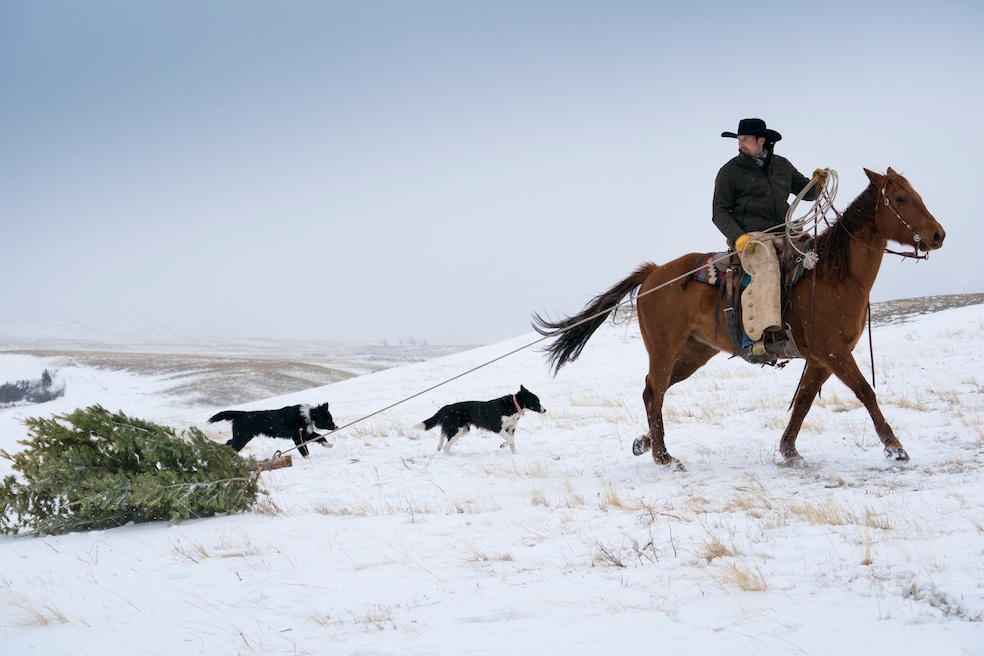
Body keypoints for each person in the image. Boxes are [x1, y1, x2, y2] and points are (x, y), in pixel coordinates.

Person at [712, 118, 827, 357]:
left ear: (761, 141)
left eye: (745, 139)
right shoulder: (730, 171)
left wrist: (818, 184)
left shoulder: (782, 166)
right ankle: (757, 339)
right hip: (753, 237)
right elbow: (719, 212)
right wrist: (738, 237)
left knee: (817, 253)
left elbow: (806, 192)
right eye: (739, 140)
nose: (740, 144)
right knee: (768, 270)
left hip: (785, 230)